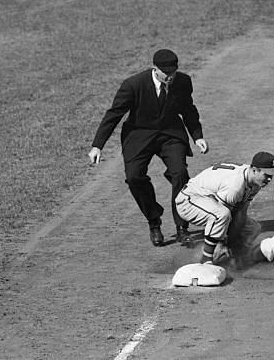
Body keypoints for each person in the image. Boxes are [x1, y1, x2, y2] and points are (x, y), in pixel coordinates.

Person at [88, 49, 208, 247]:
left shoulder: (183, 81)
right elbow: (114, 114)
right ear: (155, 68)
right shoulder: (133, 85)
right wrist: (97, 145)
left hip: (170, 134)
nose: (170, 77)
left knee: (180, 173)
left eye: (173, 72)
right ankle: (154, 221)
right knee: (134, 177)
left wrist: (197, 136)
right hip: (139, 135)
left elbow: (188, 109)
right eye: (165, 73)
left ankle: (182, 227)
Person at [174, 152, 274, 264]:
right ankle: (206, 259)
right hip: (189, 201)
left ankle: (236, 258)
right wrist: (223, 242)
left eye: (271, 175)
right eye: (267, 175)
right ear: (254, 170)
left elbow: (241, 211)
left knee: (253, 228)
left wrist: (231, 244)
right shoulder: (235, 186)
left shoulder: (255, 181)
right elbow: (227, 217)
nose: (269, 179)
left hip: (209, 202)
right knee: (221, 215)